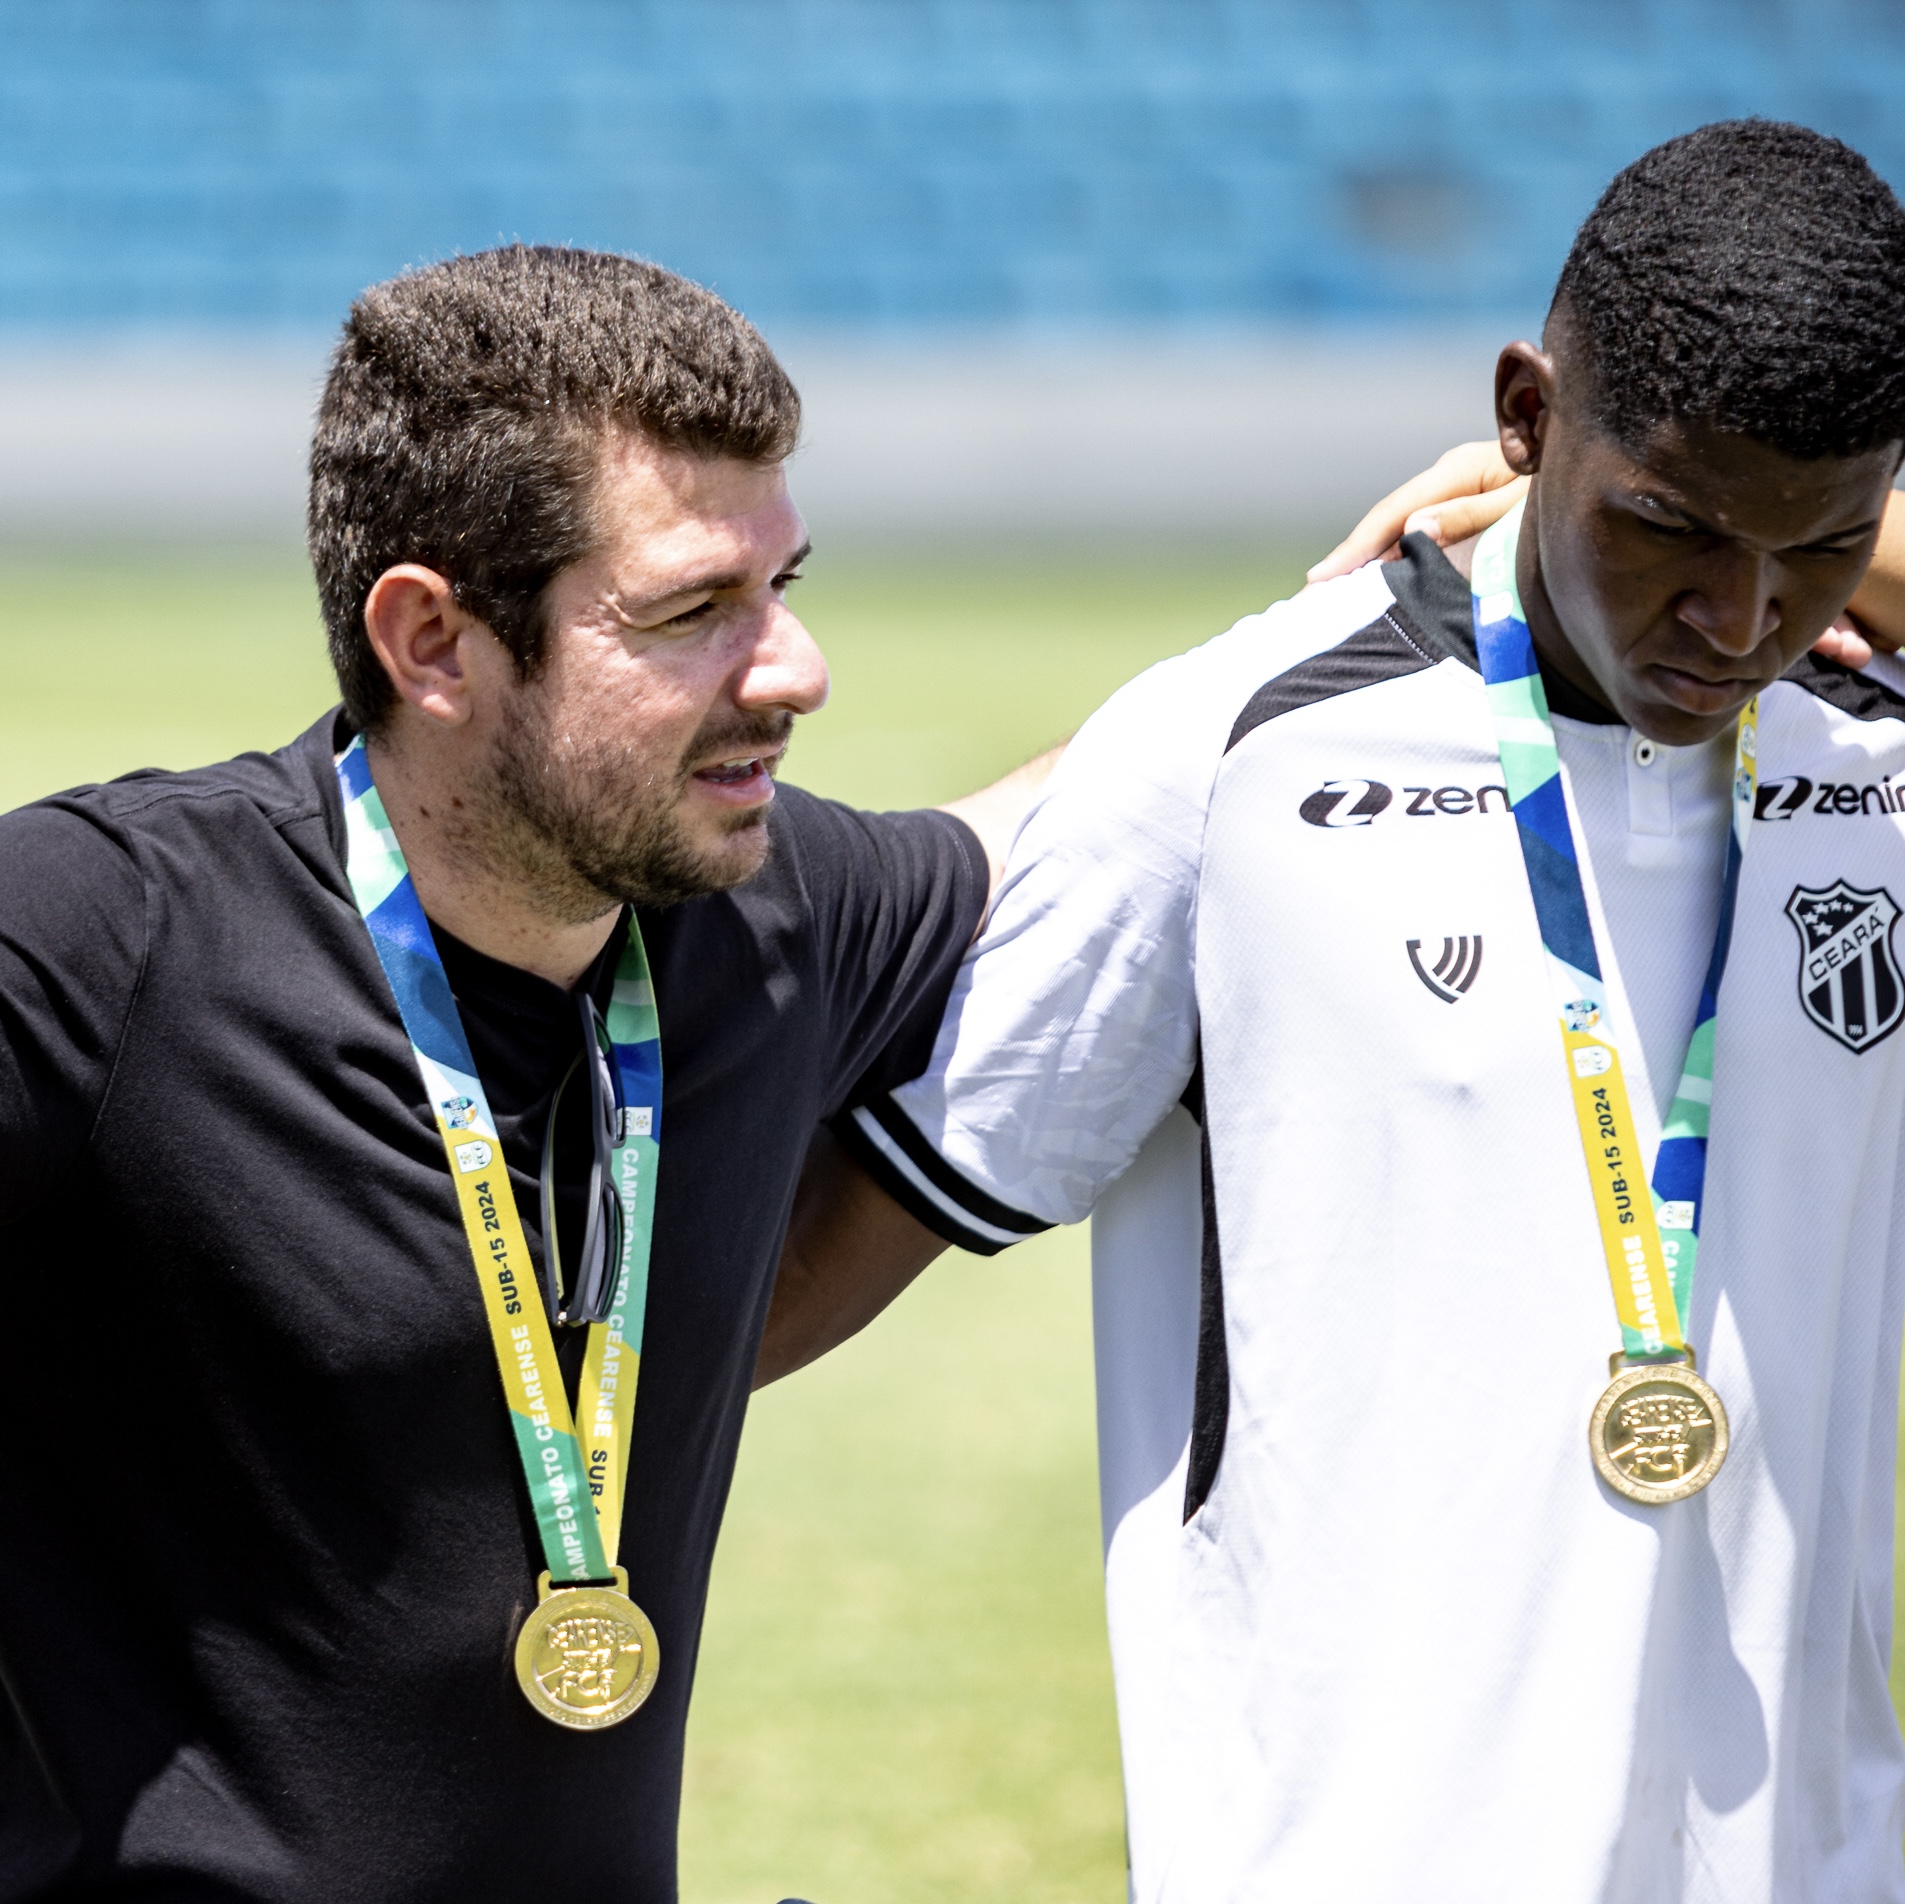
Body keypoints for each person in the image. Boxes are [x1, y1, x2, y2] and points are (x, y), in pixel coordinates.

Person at [0, 256, 1539, 1893]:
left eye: (784, 589)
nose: (790, 673)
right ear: (432, 640)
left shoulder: (764, 906)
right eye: (694, 611)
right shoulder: (111, 930)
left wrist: (1326, 630)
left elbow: (1049, 821)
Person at [769, 120, 1905, 1898]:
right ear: (1526, 419)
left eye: (1821, 546)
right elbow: (822, 1261)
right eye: (1668, 527)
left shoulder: (1874, 761)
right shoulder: (1230, 755)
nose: (1739, 617)